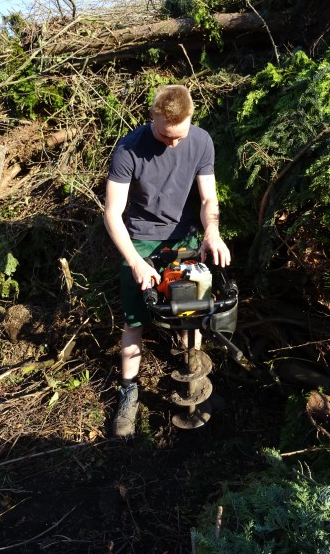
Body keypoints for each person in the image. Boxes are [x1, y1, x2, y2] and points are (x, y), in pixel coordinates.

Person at [104, 84, 230, 437]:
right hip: (141, 241)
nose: (173, 143)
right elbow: (112, 213)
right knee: (135, 322)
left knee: (192, 315)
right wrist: (135, 261)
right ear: (152, 118)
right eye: (165, 136)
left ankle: (194, 382)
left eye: (179, 136)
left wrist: (212, 232)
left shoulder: (201, 141)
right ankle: (129, 392)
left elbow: (208, 199)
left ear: (191, 117)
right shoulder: (129, 149)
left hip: (185, 239)